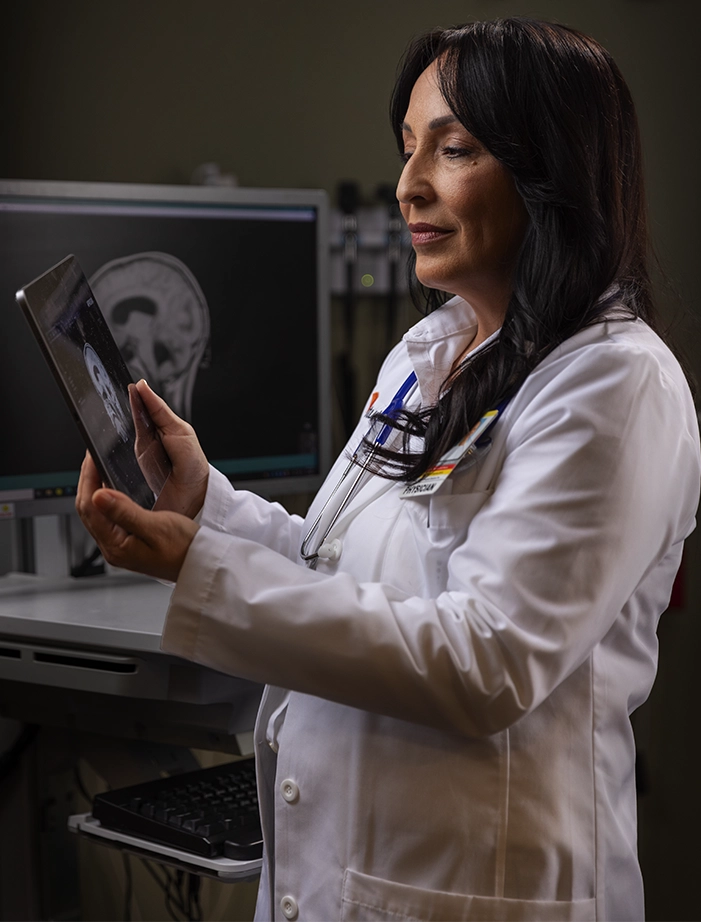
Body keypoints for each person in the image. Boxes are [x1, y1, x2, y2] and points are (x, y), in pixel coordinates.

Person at [76, 18, 701, 922]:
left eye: (452, 149)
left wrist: (197, 569)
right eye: (408, 149)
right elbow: (335, 562)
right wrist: (204, 506)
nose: (410, 185)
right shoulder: (433, 351)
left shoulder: (614, 383)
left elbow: (485, 660)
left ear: (550, 171)